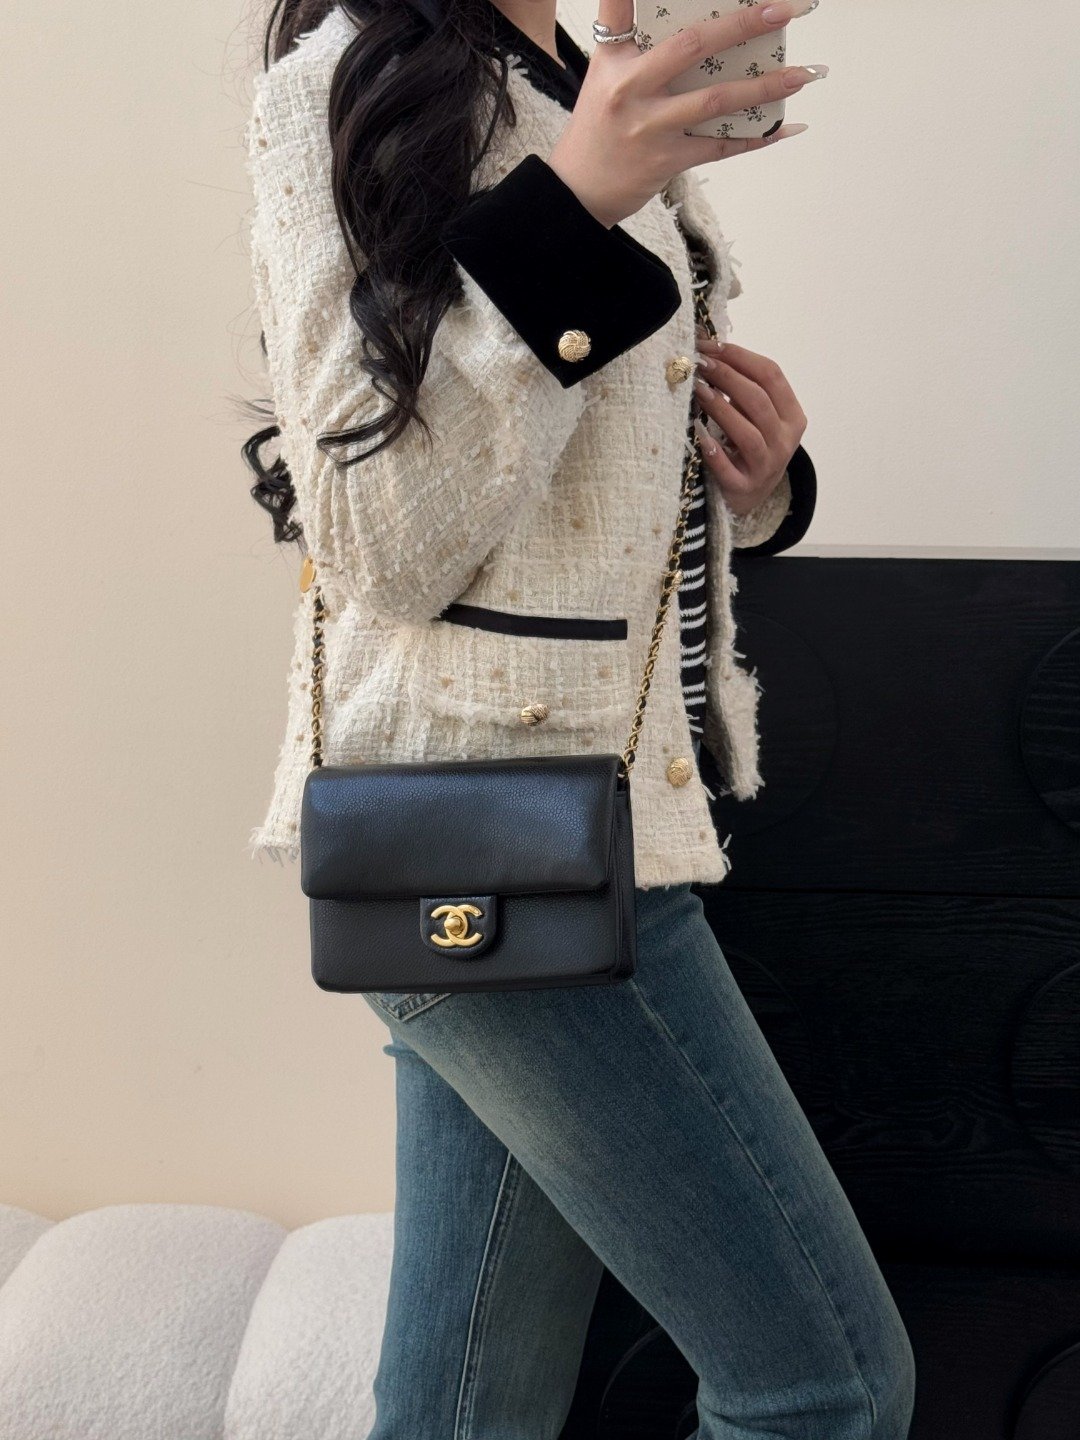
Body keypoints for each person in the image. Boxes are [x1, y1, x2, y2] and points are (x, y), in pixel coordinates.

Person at [241, 0, 917, 1435]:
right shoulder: (338, 88)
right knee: (828, 1389)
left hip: (582, 830)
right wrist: (573, 206)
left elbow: (576, 495)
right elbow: (375, 537)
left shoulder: (575, 77)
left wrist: (760, 484)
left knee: (468, 1413)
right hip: (494, 832)